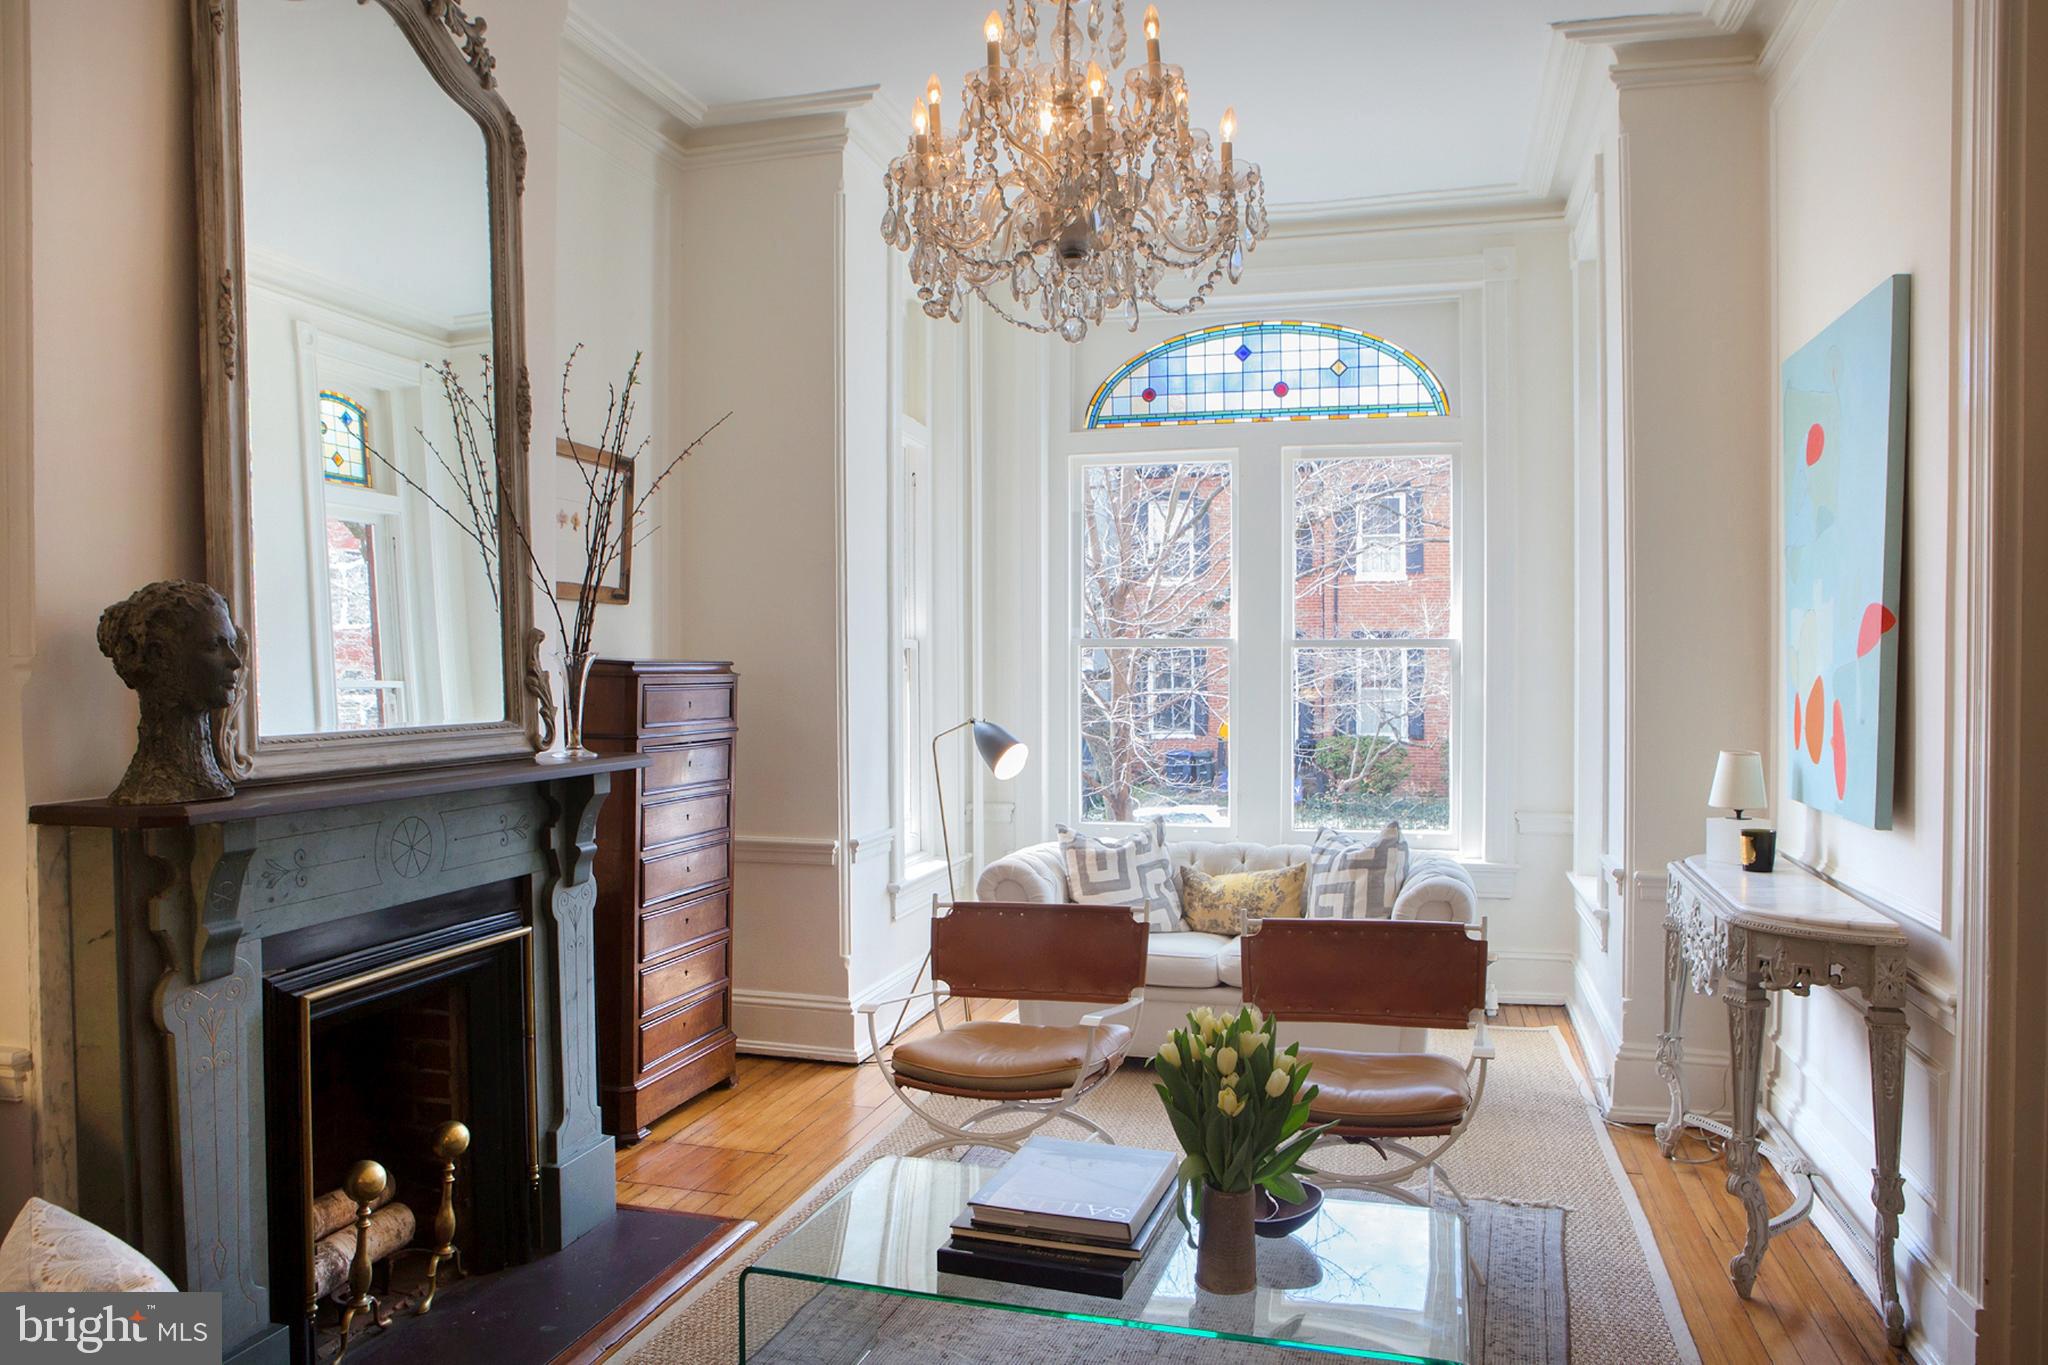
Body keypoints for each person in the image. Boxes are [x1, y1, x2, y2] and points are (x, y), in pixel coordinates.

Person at [96, 579, 245, 804]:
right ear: (159, 656)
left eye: (231, 645)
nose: (235, 661)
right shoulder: (147, 788)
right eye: (214, 646)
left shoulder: (207, 780)